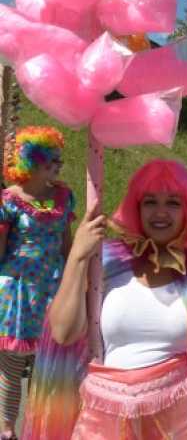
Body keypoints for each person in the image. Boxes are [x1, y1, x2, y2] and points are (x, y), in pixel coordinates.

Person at [23, 160, 187, 439]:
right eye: (150, 201)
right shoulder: (104, 262)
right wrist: (78, 255)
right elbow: (63, 333)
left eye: (173, 203)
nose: (160, 212)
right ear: (137, 208)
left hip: (176, 424)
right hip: (101, 421)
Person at [0, 127, 74, 439]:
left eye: (59, 159)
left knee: (47, 367)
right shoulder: (9, 201)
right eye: (51, 160)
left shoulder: (63, 196)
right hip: (17, 290)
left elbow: (67, 244)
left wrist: (76, 278)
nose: (58, 165)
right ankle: (7, 429)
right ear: (31, 162)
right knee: (11, 367)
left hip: (53, 289)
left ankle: (38, 427)